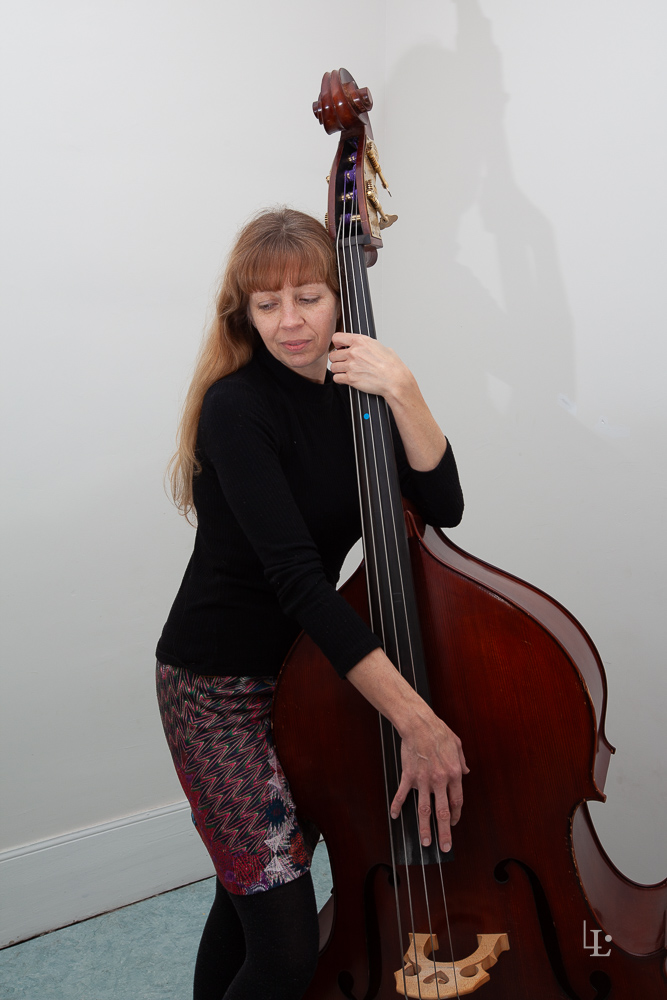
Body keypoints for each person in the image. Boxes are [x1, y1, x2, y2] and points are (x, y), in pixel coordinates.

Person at [156, 208, 468, 1000]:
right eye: (267, 305)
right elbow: (299, 578)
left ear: (342, 298)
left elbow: (443, 503)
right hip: (216, 689)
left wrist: (402, 387)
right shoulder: (237, 407)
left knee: (253, 900)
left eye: (308, 297)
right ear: (244, 312)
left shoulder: (357, 395)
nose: (290, 323)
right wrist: (415, 719)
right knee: (288, 942)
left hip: (309, 674)